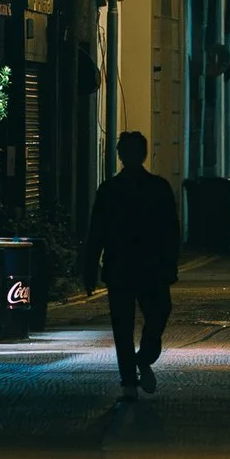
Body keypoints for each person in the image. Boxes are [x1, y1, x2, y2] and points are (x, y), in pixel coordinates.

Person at [85, 128, 180, 395]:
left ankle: (135, 367)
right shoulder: (156, 187)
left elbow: (96, 233)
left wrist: (90, 268)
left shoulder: (111, 190)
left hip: (125, 267)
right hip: (146, 266)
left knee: (125, 325)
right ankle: (133, 372)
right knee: (152, 315)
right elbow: (171, 231)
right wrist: (170, 263)